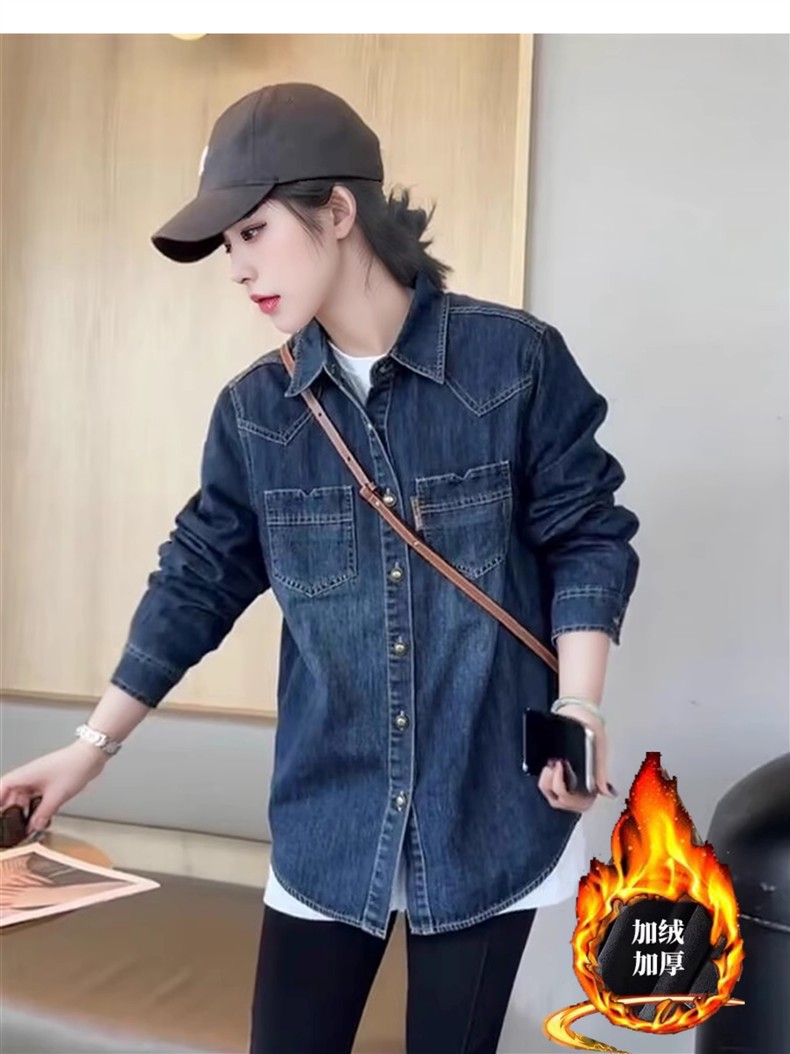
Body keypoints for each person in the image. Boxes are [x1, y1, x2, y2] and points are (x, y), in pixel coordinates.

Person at [0, 83, 639, 1053]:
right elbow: (197, 580)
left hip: (490, 812)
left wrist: (580, 706)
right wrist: (91, 746)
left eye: (254, 232)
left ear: (338, 212)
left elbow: (586, 533)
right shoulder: (256, 414)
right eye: (229, 246)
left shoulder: (515, 363)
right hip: (329, 820)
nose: (237, 267)